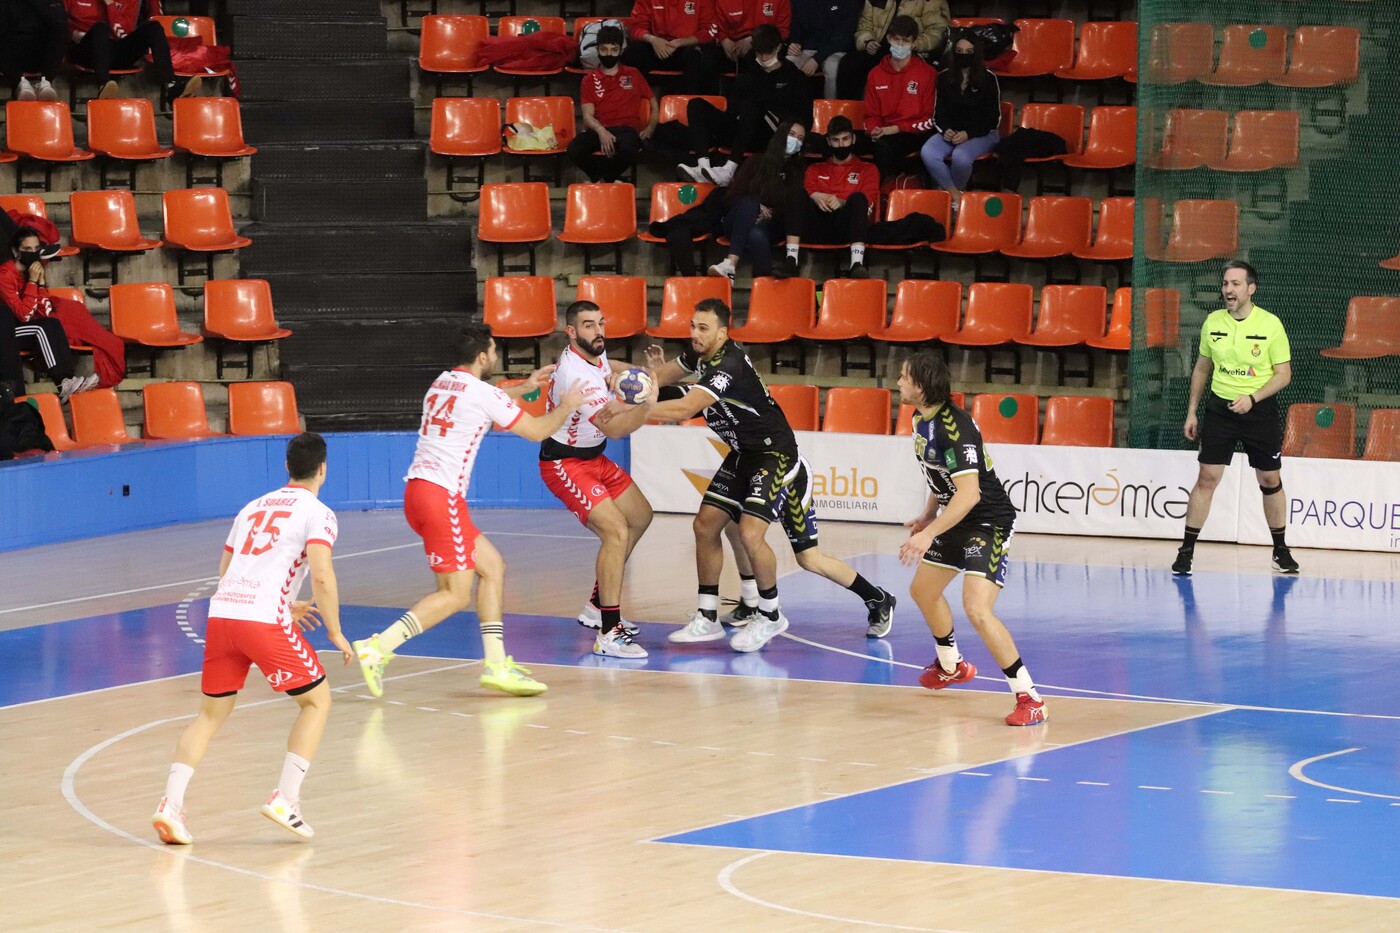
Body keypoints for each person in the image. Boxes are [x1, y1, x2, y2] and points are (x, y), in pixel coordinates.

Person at [351, 324, 589, 699]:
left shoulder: (442, 383)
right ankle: (377, 648)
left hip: (419, 492)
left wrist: (525, 387)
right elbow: (536, 431)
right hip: (441, 497)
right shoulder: (482, 393)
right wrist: (567, 406)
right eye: (493, 351)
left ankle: (495, 664)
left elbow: (485, 399)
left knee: (492, 567)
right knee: (454, 594)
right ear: (482, 356)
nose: (495, 356)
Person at [645, 298, 896, 651]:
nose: (695, 334)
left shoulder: (728, 364)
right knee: (706, 525)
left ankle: (781, 613)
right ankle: (708, 616)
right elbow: (659, 381)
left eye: (703, 328)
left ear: (722, 333)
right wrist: (639, 382)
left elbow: (685, 407)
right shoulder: (700, 356)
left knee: (790, 550)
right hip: (745, 455)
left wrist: (635, 410)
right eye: (692, 326)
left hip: (777, 457)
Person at [151, 432, 352, 845]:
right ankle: (286, 800)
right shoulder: (319, 513)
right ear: (323, 469)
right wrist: (334, 630)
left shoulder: (251, 507)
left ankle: (170, 805)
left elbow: (226, 570)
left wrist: (280, 601)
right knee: (317, 701)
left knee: (210, 715)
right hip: (262, 621)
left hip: (223, 616)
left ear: (286, 466)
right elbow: (321, 574)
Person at [896, 351, 1046, 726]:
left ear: (921, 386)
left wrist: (929, 534)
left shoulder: (954, 428)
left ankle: (1030, 698)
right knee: (923, 591)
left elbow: (969, 494)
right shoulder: (919, 418)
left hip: (987, 521)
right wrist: (929, 515)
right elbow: (940, 477)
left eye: (904, 377)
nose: (898, 382)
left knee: (977, 609)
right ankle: (951, 665)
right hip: (956, 515)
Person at [540, 300, 657, 659]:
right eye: (589, 325)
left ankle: (596, 607)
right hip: (566, 464)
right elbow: (616, 429)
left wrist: (634, 374)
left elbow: (609, 365)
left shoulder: (592, 353)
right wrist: (646, 403)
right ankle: (609, 632)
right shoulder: (576, 377)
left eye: (601, 323)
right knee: (616, 532)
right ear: (571, 332)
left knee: (640, 516)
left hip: (594, 458)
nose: (599, 331)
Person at [1175, 260, 1299, 576]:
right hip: (1220, 410)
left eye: (1235, 284)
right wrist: (1192, 411)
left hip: (1259, 411)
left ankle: (1280, 551)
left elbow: (1284, 375)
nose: (1228, 290)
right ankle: (1186, 552)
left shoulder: (1270, 325)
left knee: (1269, 479)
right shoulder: (1213, 322)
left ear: (1251, 289)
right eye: (1225, 284)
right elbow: (1202, 368)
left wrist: (1252, 398)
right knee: (1207, 477)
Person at [678, 24, 812, 186]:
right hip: (743, 131)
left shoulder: (795, 77)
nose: (764, 58)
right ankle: (702, 165)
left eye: (768, 52)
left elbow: (805, 119)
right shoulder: (747, 77)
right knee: (696, 104)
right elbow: (732, 113)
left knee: (752, 106)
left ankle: (729, 170)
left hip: (774, 135)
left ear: (778, 48)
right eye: (759, 52)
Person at [1, 226, 125, 397]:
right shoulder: (5, 275)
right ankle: (63, 382)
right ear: (16, 252)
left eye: (36, 249)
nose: (33, 253)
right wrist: (32, 282)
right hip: (6, 334)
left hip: (21, 327)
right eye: (27, 249)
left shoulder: (31, 272)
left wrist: (40, 284)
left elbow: (44, 311)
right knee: (41, 328)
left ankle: (68, 380)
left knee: (52, 322)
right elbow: (24, 315)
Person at [705, 121, 808, 281]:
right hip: (737, 220)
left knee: (756, 235)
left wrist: (772, 214)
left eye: (800, 138)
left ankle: (762, 283)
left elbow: (793, 207)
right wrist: (756, 208)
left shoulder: (797, 170)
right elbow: (731, 197)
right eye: (792, 135)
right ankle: (730, 264)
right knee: (751, 202)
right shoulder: (755, 161)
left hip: (770, 224)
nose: (796, 141)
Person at [778, 114, 877, 278]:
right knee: (796, 193)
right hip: (816, 226)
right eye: (836, 140)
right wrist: (814, 196)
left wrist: (842, 202)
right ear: (829, 141)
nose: (841, 145)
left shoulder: (868, 169)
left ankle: (856, 263)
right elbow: (805, 196)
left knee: (858, 198)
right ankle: (791, 260)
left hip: (846, 228)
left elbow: (867, 203)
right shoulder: (814, 169)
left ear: (853, 139)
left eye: (845, 139)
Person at [569, 25, 657, 184]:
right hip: (600, 129)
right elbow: (588, 117)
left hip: (626, 130)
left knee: (630, 149)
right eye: (604, 49)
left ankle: (602, 180)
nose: (609, 54)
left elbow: (653, 103)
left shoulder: (633, 74)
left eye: (614, 50)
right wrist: (601, 131)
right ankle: (608, 179)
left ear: (621, 51)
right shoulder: (589, 80)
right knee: (574, 149)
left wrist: (650, 127)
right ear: (597, 49)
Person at [64, 0, 201, 101]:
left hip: (115, 48)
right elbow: (61, 23)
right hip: (84, 49)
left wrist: (111, 5)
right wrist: (75, 34)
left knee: (153, 27)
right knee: (101, 28)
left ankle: (171, 87)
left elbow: (123, 33)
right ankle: (104, 88)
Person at [920, 32, 1000, 202]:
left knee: (960, 157)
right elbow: (939, 113)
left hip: (982, 133)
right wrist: (945, 130)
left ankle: (948, 198)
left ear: (976, 54)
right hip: (952, 132)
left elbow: (993, 119)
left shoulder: (989, 79)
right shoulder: (944, 78)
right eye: (959, 51)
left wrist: (968, 134)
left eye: (969, 52)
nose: (964, 55)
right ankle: (955, 196)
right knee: (928, 152)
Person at [860, 15, 937, 179]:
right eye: (897, 39)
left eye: (906, 41)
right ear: (889, 38)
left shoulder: (927, 73)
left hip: (913, 132)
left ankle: (889, 188)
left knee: (884, 147)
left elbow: (930, 119)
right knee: (845, 143)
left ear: (914, 43)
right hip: (883, 132)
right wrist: (874, 129)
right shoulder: (875, 74)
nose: (900, 45)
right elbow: (871, 115)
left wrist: (897, 128)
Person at [836, 0, 947, 100]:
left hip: (910, 51)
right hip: (878, 48)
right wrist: (867, 41)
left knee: (896, 70)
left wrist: (914, 44)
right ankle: (850, 112)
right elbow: (864, 26)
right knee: (849, 64)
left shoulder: (930, 2)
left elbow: (938, 31)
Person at [625, 0, 720, 93]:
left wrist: (680, 42)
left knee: (699, 55)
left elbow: (709, 30)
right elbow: (636, 27)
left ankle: (692, 100)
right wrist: (653, 40)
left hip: (687, 46)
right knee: (632, 50)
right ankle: (631, 99)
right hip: (658, 46)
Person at [785, 0, 862, 100]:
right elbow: (795, 27)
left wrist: (817, 59)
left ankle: (831, 107)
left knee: (832, 67)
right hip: (807, 49)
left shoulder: (848, 3)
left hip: (835, 50)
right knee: (788, 63)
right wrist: (794, 43)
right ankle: (787, 108)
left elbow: (844, 37)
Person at [1, 0, 66, 101]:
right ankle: (21, 83)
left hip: (42, 54)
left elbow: (57, 22)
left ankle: (46, 82)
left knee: (60, 29)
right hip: (14, 53)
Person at [709, 0, 791, 69]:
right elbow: (715, 26)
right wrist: (724, 40)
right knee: (709, 58)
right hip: (732, 43)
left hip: (765, 43)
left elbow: (783, 31)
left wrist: (753, 40)